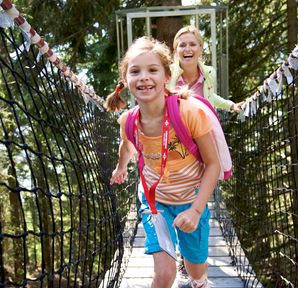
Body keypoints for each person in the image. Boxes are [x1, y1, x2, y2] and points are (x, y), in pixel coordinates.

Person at [104, 37, 219, 288]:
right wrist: (121, 166)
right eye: (135, 71)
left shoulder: (189, 112)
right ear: (126, 80)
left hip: (191, 198)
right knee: (165, 273)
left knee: (195, 268)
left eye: (152, 70)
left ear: (166, 76)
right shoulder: (128, 120)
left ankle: (200, 278)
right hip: (155, 202)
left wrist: (196, 210)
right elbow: (127, 144)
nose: (144, 77)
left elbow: (213, 164)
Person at [168, 25, 242, 113]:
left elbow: (209, 96)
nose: (187, 49)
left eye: (192, 44)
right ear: (176, 50)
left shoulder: (209, 73)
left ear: (201, 48)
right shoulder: (167, 73)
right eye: (182, 45)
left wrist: (231, 106)